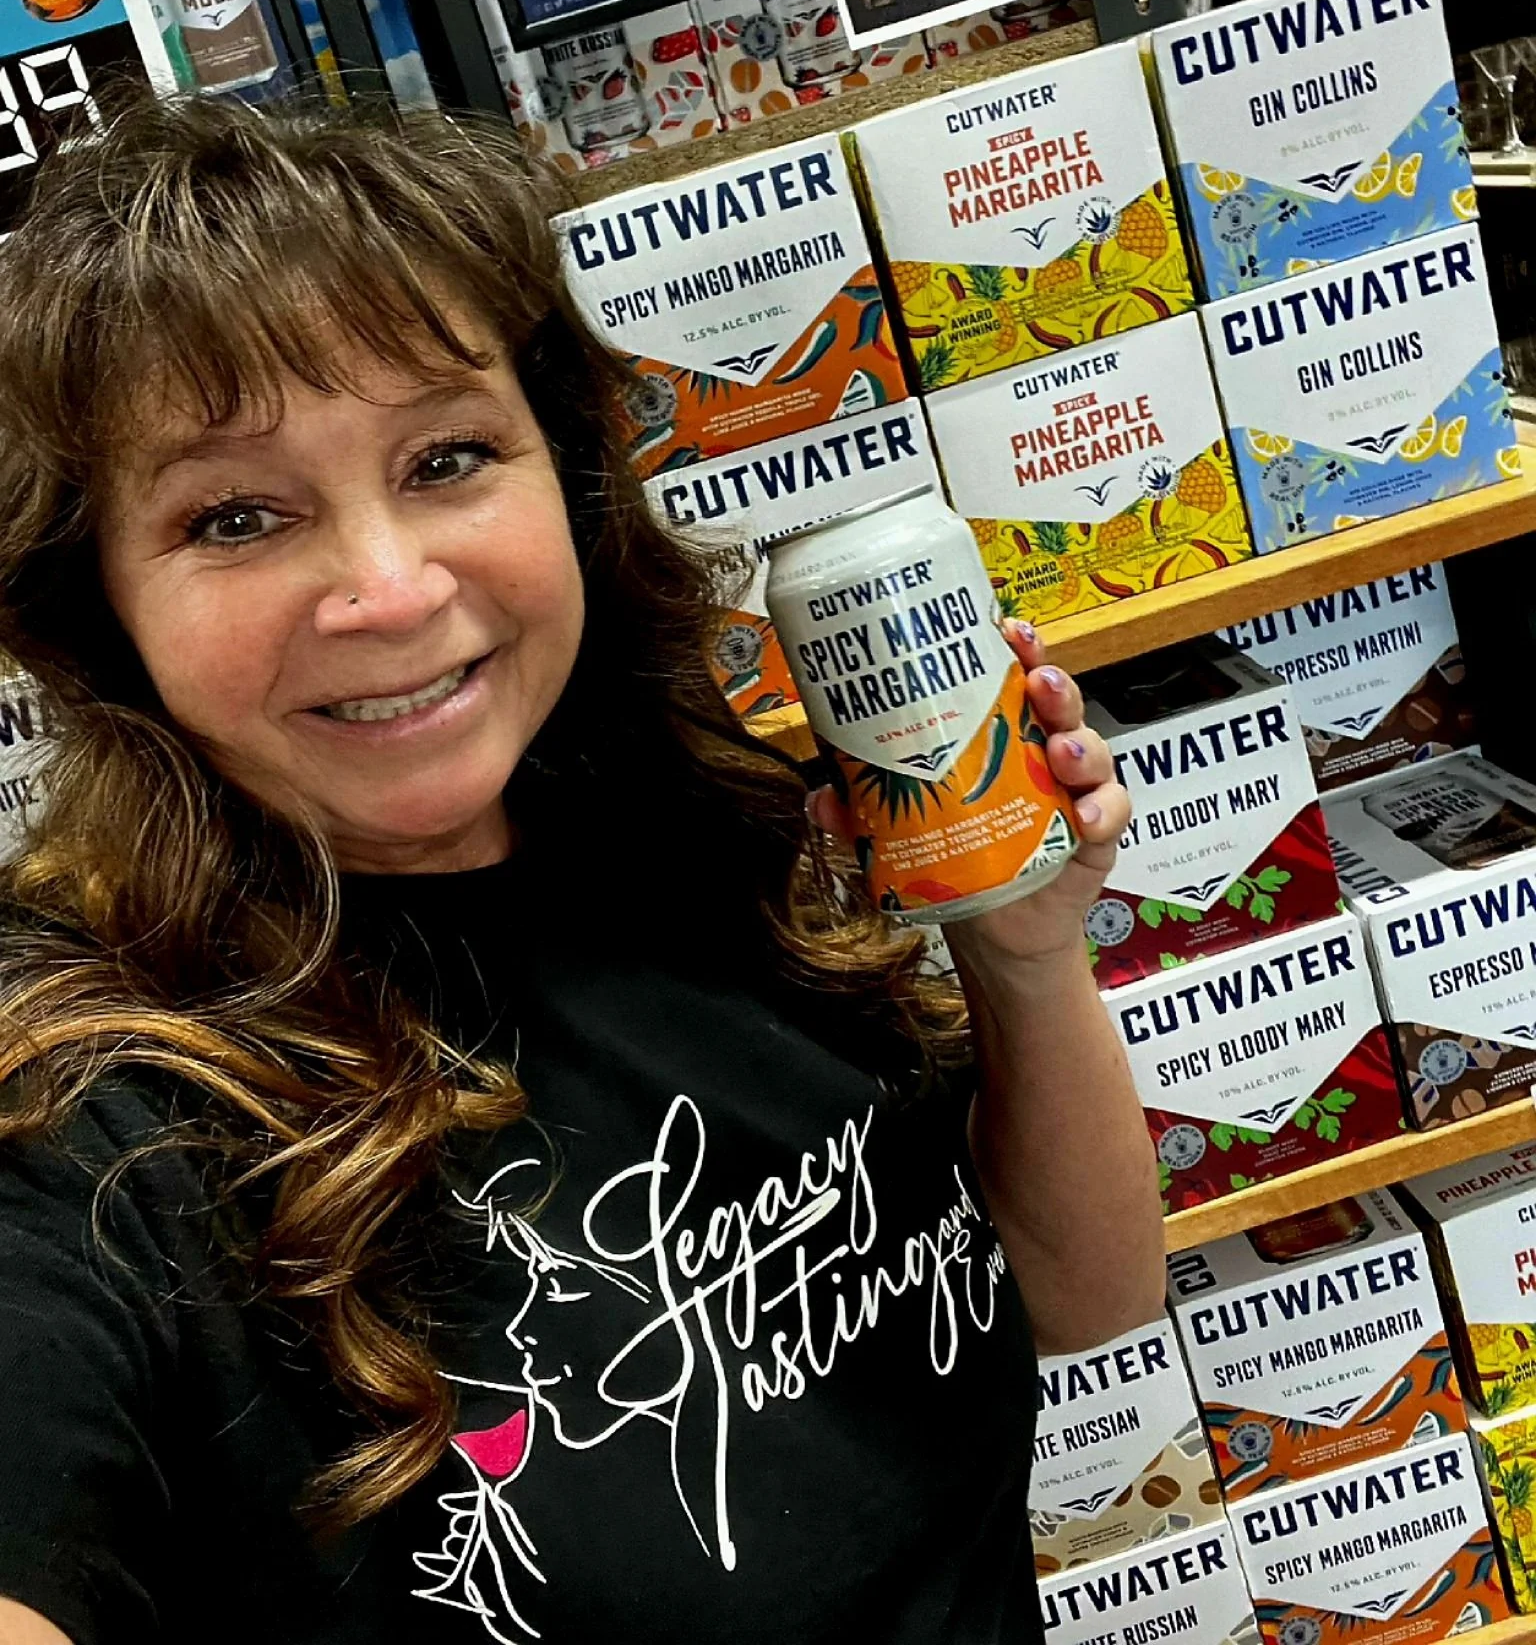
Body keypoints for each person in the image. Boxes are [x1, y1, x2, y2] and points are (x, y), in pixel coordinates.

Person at [0, 94, 1161, 1645]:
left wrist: (1022, 957)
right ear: (101, 613)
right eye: (235, 515)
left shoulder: (696, 839)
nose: (391, 588)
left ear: (567, 470)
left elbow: (1083, 1299)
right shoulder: (89, 1117)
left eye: (448, 456)